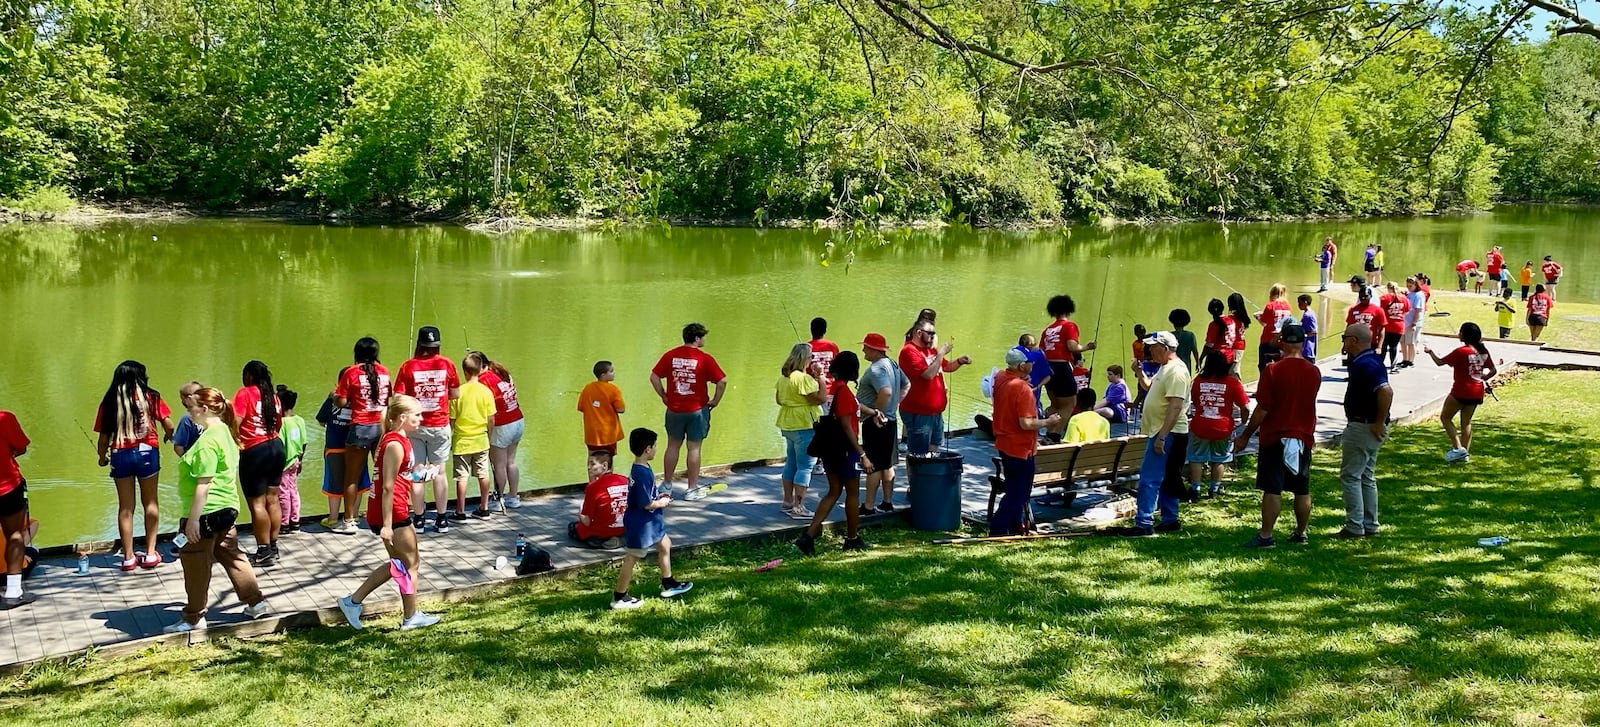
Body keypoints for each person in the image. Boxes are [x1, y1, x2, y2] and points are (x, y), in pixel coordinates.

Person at [165, 387, 269, 632]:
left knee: (195, 563)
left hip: (206, 512)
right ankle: (256, 603)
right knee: (231, 555)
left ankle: (194, 617)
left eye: (191, 406)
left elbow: (204, 484)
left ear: (203, 409)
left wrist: (192, 521)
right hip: (226, 510)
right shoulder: (225, 432)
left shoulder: (208, 443)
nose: (188, 411)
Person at [337, 395, 441, 630]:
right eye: (416, 415)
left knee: (399, 564)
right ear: (402, 418)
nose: (420, 418)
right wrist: (386, 525)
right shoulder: (394, 444)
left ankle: (353, 602)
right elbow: (386, 486)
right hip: (392, 511)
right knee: (411, 564)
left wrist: (421, 475)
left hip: (393, 508)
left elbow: (401, 476)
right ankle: (409, 617)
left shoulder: (398, 440)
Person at [1235, 324, 1321, 548]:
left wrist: (1245, 436)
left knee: (1272, 488)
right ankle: (1301, 533)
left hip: (1275, 436)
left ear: (1282, 341)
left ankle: (1266, 536)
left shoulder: (1272, 370)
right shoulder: (1314, 372)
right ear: (1303, 343)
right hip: (1303, 436)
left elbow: (1263, 408)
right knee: (1302, 488)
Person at [95, 360, 176, 571]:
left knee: (125, 508)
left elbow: (103, 439)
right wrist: (167, 436)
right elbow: (169, 424)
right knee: (150, 503)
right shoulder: (152, 396)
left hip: (120, 454)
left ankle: (128, 557)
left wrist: (102, 457)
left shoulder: (109, 402)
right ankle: (150, 553)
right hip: (148, 452)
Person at [796, 352, 878, 551]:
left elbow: (851, 413)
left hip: (831, 449)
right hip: (845, 450)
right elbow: (846, 426)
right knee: (852, 494)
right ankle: (852, 538)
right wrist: (862, 454)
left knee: (833, 491)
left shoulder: (835, 389)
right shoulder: (844, 392)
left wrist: (875, 412)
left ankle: (808, 537)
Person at [1114, 331, 1191, 536]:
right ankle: (1169, 519)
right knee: (1168, 477)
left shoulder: (1176, 371)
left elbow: (1175, 406)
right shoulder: (1164, 368)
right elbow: (1149, 388)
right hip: (1162, 431)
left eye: (1153, 347)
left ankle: (1144, 523)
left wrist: (1163, 436)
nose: (1149, 350)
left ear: (1165, 349)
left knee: (1150, 478)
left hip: (1167, 432)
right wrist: (1139, 373)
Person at [611, 428, 694, 609]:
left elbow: (648, 495)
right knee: (633, 557)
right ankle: (619, 597)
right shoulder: (640, 474)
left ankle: (668, 584)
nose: (657, 449)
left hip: (651, 523)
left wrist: (660, 495)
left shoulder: (642, 468)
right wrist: (662, 502)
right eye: (655, 446)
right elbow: (646, 504)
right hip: (641, 524)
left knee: (665, 544)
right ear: (647, 449)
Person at [984, 349, 1061, 537]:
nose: (1033, 365)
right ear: (1021, 366)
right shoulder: (1022, 389)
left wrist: (1021, 381)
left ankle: (1016, 527)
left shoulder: (1001, 378)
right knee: (1019, 493)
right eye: (1030, 363)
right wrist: (1048, 422)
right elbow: (1026, 423)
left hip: (1004, 444)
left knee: (1013, 488)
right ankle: (998, 530)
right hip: (1021, 449)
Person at [650, 322, 727, 501]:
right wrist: (715, 400)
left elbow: (654, 376)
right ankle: (691, 489)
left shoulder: (670, 355)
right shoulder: (705, 359)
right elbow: (722, 381)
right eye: (703, 337)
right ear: (697, 338)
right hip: (697, 410)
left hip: (674, 409)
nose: (704, 340)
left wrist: (663, 395)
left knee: (672, 446)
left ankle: (667, 485)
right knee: (694, 448)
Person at [395, 326, 460, 531]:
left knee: (417, 472)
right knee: (439, 473)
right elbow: (456, 393)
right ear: (437, 345)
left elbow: (398, 398)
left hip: (415, 426)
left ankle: (420, 519)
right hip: (440, 425)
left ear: (419, 344)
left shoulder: (408, 366)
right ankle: (441, 519)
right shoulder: (447, 363)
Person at [1337, 324, 1392, 538]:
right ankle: (1370, 524)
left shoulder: (1367, 364)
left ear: (1354, 340)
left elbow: (1385, 391)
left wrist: (1379, 421)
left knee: (1350, 475)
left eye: (1344, 337)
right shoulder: (1368, 360)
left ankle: (1354, 525)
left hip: (1363, 426)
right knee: (1366, 475)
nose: (1343, 342)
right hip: (1367, 426)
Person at [333, 337, 390, 534]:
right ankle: (384, 515)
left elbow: (340, 402)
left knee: (351, 476)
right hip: (381, 426)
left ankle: (349, 521)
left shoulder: (351, 372)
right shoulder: (385, 372)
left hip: (360, 427)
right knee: (382, 473)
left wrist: (334, 395)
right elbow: (389, 398)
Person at [235, 360, 286, 567]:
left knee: (257, 503)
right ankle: (273, 546)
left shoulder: (244, 393)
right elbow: (279, 424)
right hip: (276, 447)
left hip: (255, 450)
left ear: (248, 376)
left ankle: (263, 550)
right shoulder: (272, 397)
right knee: (272, 499)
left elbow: (235, 422)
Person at [1423, 322, 1498, 463]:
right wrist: (1484, 378)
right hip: (1477, 391)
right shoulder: (1483, 351)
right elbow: (1493, 370)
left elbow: (1439, 362)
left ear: (1465, 335)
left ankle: (1458, 448)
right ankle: (1465, 454)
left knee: (1446, 418)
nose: (1459, 333)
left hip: (1460, 390)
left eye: (1460, 331)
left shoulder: (1461, 351)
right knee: (1466, 422)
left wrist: (1430, 351)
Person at [902, 316, 972, 452]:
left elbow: (945, 367)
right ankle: (917, 473)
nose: (933, 336)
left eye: (934, 333)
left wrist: (959, 361)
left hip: (935, 413)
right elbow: (927, 374)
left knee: (934, 447)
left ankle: (928, 471)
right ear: (918, 333)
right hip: (918, 413)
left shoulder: (930, 350)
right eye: (931, 333)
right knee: (919, 452)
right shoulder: (909, 351)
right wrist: (940, 354)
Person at [1187, 350, 1250, 499]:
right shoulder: (1232, 383)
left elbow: (1195, 401)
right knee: (1220, 458)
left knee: (1196, 457)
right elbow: (1245, 407)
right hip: (1223, 427)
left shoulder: (1198, 380)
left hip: (1200, 425)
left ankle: (1195, 489)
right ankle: (1214, 489)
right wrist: (1243, 422)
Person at [859, 333, 910, 515]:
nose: (863, 350)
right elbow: (906, 385)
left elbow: (886, 392)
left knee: (873, 465)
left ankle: (868, 506)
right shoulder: (893, 364)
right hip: (891, 422)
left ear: (874, 350)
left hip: (877, 424)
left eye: (865, 347)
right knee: (887, 464)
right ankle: (887, 502)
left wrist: (877, 413)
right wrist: (894, 405)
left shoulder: (876, 369)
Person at [774, 342, 824, 519]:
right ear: (806, 359)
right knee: (805, 466)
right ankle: (799, 506)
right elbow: (820, 399)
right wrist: (821, 377)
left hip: (788, 423)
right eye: (811, 357)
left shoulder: (784, 377)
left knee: (791, 463)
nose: (812, 360)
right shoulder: (803, 378)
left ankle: (787, 501)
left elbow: (779, 400)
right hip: (804, 425)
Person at [316, 382, 371, 532]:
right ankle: (353, 516)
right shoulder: (361, 399)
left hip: (334, 448)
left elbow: (321, 419)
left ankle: (333, 518)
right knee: (357, 482)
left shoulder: (333, 399)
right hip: (357, 445)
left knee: (334, 483)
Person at [471, 351, 524, 509]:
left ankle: (498, 499)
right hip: (518, 420)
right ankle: (513, 497)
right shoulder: (501, 373)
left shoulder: (483, 380)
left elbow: (483, 407)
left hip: (502, 425)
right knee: (511, 462)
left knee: (498, 465)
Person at [449, 354, 497, 521]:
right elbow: (491, 419)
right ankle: (484, 508)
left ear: (465, 372)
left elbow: (452, 420)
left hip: (462, 441)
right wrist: (489, 435)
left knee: (461, 476)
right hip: (481, 439)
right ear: (480, 369)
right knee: (483, 473)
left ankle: (460, 511)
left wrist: (449, 436)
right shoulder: (487, 392)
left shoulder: (458, 392)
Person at [1041, 295, 1094, 442]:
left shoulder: (1047, 330)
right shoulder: (1069, 326)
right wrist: (1087, 347)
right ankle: (1054, 436)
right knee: (1069, 404)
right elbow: (1072, 346)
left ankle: (1048, 432)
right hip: (1062, 367)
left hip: (1048, 367)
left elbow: (1041, 351)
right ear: (1068, 310)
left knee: (1054, 404)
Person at [1, 407, 36, 608]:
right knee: (14, 535)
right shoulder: (5, 418)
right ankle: (13, 591)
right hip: (6, 487)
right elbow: (21, 447)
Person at [570, 454, 627, 549]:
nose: (589, 468)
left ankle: (604, 541)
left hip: (603, 531)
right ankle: (621, 539)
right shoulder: (625, 480)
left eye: (592, 464)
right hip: (624, 527)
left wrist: (580, 513)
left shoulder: (593, 487)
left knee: (573, 527)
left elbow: (587, 521)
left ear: (604, 465)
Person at [578, 360, 627, 464]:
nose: (614, 373)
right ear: (603, 375)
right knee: (608, 459)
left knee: (592, 456)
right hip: (608, 433)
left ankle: (592, 480)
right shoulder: (613, 390)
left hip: (591, 432)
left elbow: (581, 407)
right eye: (611, 371)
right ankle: (607, 480)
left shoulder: (587, 388)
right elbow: (621, 409)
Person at [276, 386, 306, 534]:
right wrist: (300, 460)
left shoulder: (281, 424)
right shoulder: (299, 420)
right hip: (295, 461)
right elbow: (304, 442)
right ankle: (295, 521)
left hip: (284, 463)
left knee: (283, 493)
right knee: (293, 491)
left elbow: (279, 445)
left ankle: (284, 523)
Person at [1256, 284, 1293, 372]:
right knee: (1280, 367)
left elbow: (1264, 323)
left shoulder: (1270, 306)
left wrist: (1257, 317)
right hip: (1281, 341)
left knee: (1263, 366)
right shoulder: (1288, 307)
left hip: (1267, 340)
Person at [1014, 334, 1052, 411]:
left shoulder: (1014, 352)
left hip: (1015, 393)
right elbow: (1048, 376)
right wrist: (1037, 387)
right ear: (1033, 345)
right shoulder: (1039, 355)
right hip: (1032, 395)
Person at [1345, 285, 1388, 354]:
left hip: (1371, 344)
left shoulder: (1378, 310)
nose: (1364, 298)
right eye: (1362, 297)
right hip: (1355, 344)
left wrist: (1379, 347)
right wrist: (1346, 345)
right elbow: (1349, 328)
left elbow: (1382, 330)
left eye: (1366, 296)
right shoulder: (1353, 310)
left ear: (1370, 296)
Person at [1379, 281, 1410, 370]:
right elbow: (1407, 311)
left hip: (1387, 325)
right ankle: (1393, 365)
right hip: (1399, 326)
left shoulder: (1384, 298)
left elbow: (1378, 310)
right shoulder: (1404, 299)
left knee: (1384, 346)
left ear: (1388, 288)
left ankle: (1380, 364)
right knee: (1394, 346)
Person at [808, 317, 840, 405]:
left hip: (812, 393)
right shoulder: (832, 346)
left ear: (811, 330)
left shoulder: (806, 348)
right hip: (831, 390)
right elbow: (838, 368)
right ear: (825, 330)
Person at [171, 381, 205, 457]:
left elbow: (178, 447)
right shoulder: (215, 414)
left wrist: (187, 462)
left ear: (189, 398)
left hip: (194, 462)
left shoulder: (187, 419)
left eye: (182, 399)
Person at [1400, 277, 1425, 368]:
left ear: (1415, 285)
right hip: (1405, 321)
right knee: (1403, 342)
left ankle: (1411, 360)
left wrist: (1414, 323)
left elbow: (1418, 310)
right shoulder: (1410, 293)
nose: (1408, 287)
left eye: (1410, 286)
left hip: (1412, 322)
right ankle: (1405, 359)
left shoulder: (1418, 295)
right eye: (1407, 286)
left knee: (1411, 342)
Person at [1226, 293, 1252, 375]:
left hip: (1233, 345)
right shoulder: (1243, 317)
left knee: (1233, 371)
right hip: (1240, 345)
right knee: (1235, 368)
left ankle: (1238, 386)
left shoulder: (1231, 318)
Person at [1170, 309, 1199, 373]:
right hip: (1186, 366)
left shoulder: (1170, 336)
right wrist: (1198, 363)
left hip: (1172, 367)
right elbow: (1195, 351)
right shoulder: (1190, 335)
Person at [1298, 294, 1318, 361]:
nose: (1298, 305)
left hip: (1307, 350)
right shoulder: (1309, 313)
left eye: (1300, 303)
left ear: (1305, 302)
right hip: (1306, 350)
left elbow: (1313, 331)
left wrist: (1303, 336)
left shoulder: (1308, 315)